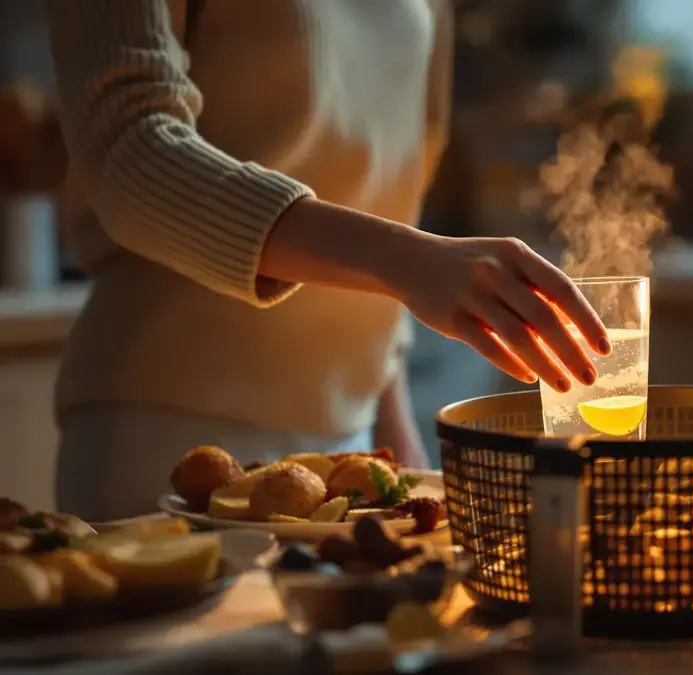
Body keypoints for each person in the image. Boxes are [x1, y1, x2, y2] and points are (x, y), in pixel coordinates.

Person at [46, 0, 609, 522]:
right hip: (166, 432)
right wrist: (408, 259)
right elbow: (128, 148)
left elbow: (389, 193)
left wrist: (395, 439)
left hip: (351, 450)